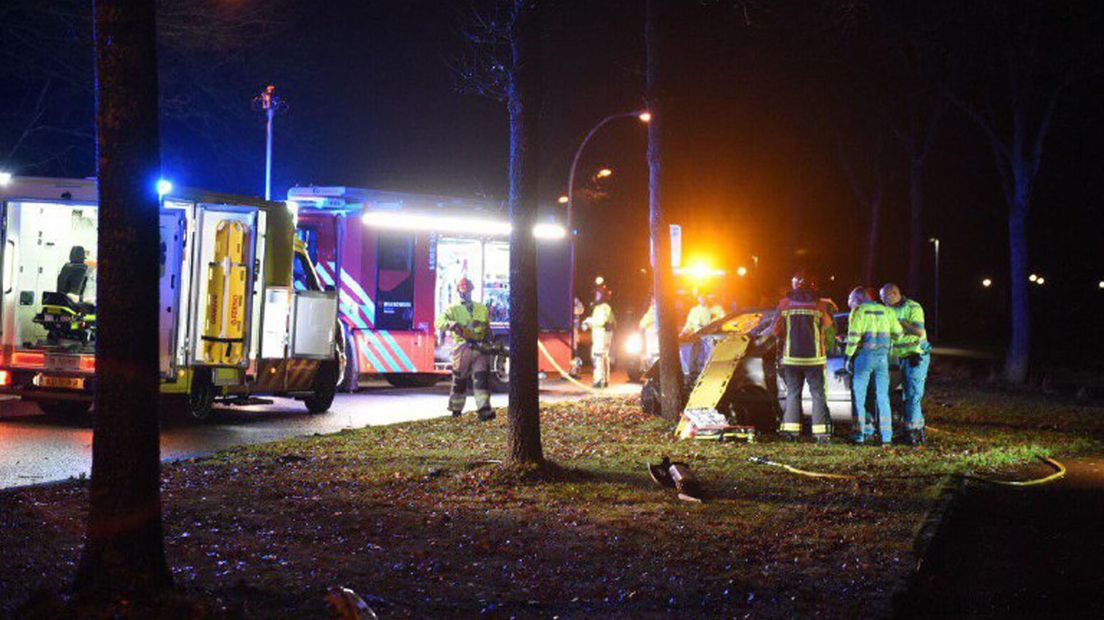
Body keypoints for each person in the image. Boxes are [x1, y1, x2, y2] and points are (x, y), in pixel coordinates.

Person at [770, 272, 835, 444]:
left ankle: (791, 432)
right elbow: (828, 329)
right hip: (815, 359)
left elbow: (775, 330)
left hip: (791, 358)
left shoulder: (784, 304)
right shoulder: (820, 305)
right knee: (818, 395)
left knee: (793, 393)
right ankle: (821, 434)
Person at [845, 287, 903, 447]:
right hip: (882, 359)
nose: (850, 304)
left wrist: (848, 356)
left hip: (864, 358)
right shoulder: (887, 311)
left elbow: (854, 337)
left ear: (859, 299)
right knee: (883, 397)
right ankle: (886, 437)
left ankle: (860, 434)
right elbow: (898, 334)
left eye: (851, 300)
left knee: (859, 397)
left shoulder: (859, 311)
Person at [435, 277, 494, 421]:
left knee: (481, 380)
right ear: (458, 290)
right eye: (462, 289)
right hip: (463, 348)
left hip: (480, 348)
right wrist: (452, 324)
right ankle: (456, 411)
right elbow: (439, 322)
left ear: (471, 290)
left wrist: (489, 339)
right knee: (459, 381)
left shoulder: (481, 308)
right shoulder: (453, 309)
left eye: (467, 289)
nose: (465, 292)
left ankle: (484, 411)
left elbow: (487, 327)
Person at [880, 283, 931, 446]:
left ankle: (914, 434)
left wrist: (900, 323)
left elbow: (918, 331)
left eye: (885, 297)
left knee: (913, 396)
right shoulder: (889, 309)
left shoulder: (913, 307)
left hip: (916, 356)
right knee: (907, 395)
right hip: (901, 358)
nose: (883, 301)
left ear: (894, 294)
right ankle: (912, 431)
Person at [582, 285, 614, 388]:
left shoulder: (604, 307)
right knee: (603, 357)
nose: (596, 296)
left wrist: (588, 322)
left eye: (598, 294)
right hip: (602, 334)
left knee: (598, 357)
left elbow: (600, 321)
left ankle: (599, 380)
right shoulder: (601, 307)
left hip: (602, 335)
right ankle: (604, 380)